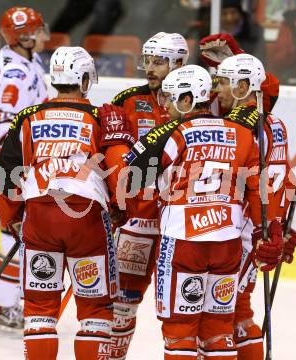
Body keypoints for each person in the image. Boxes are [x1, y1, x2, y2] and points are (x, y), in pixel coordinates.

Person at [125, 63, 283, 359]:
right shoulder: (241, 134)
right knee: (219, 331)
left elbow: (132, 174)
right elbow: (259, 189)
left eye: (170, 99)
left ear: (187, 100)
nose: (166, 106)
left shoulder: (175, 131)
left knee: (180, 332)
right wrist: (267, 230)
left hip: (183, 243)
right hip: (227, 244)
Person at [0, 46, 134, 359]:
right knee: (95, 308)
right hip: (85, 218)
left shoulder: (29, 117)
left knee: (40, 308)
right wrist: (121, 209)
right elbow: (119, 173)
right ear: (85, 79)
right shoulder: (100, 116)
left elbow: (3, 176)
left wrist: (10, 217)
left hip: (40, 216)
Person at [104, 31, 189, 360]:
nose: (150, 68)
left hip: (182, 223)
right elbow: (111, 160)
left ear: (179, 63)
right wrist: (114, 202)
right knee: (123, 302)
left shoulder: (200, 99)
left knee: (184, 305)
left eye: (159, 61)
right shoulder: (127, 100)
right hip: (138, 219)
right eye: (147, 60)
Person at [214, 53, 296, 359]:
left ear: (244, 86)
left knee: (221, 311)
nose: (217, 90)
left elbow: (241, 183)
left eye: (224, 82)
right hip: (263, 228)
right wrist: (282, 224)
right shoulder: (277, 123)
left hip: (244, 228)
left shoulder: (240, 126)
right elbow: (286, 178)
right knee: (241, 308)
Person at [0, 6, 49, 334]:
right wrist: (18, 164)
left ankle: (6, 302)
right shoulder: (16, 74)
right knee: (14, 234)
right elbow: (7, 120)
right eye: (40, 29)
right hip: (8, 159)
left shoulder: (24, 61)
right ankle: (2, 307)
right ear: (26, 36)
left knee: (20, 232)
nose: (46, 33)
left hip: (10, 157)